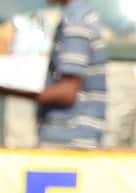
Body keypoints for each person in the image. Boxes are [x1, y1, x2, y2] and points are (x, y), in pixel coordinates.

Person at [36, 0, 108, 148]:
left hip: (70, 141)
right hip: (74, 139)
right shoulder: (79, 17)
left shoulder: (76, 23)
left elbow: (67, 92)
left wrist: (8, 90)